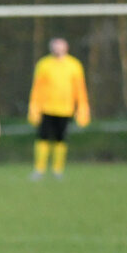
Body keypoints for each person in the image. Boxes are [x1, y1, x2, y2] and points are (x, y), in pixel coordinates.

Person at [28, 37, 90, 180]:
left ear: (66, 48)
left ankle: (57, 170)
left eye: (60, 47)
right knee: (42, 138)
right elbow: (37, 88)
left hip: (66, 109)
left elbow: (80, 89)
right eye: (55, 47)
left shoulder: (74, 65)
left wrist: (82, 108)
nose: (57, 49)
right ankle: (39, 169)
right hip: (46, 108)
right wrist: (34, 107)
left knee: (60, 139)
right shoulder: (44, 64)